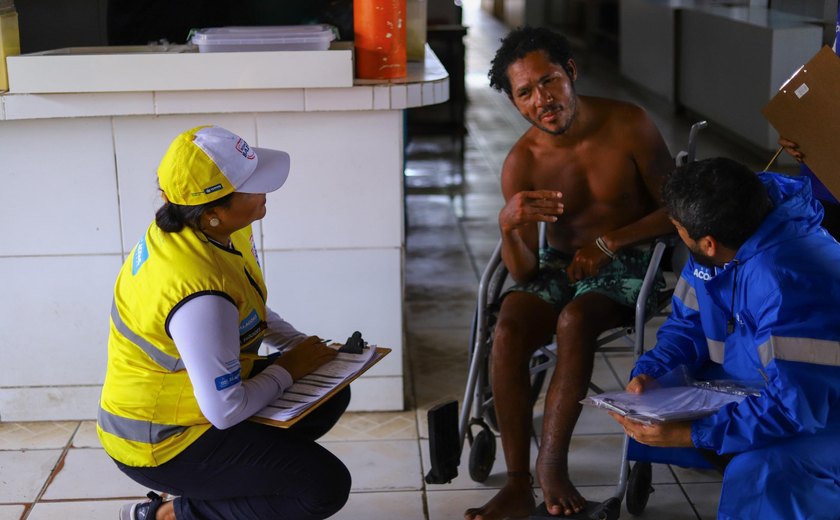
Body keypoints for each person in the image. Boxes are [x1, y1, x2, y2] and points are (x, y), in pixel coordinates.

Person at [465, 26, 675, 519]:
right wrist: (509, 229)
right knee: (511, 323)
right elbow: (524, 271)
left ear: (570, 73)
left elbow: (678, 209)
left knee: (575, 321)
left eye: (549, 81)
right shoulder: (522, 162)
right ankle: (518, 483)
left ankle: (551, 469)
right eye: (525, 93)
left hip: (632, 259)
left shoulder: (629, 124)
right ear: (515, 102)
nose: (542, 100)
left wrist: (611, 241)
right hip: (562, 264)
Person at [97, 125, 352, 520]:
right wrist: (290, 366)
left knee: (329, 390)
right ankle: (170, 513)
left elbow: (249, 308)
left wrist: (302, 348)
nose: (266, 192)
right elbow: (226, 411)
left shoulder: (207, 231)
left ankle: (229, 486)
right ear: (213, 210)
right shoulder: (196, 290)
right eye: (253, 187)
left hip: (198, 406)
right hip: (164, 441)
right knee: (323, 487)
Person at [609, 157, 840, 519]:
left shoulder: (789, 280)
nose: (675, 232)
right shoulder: (728, 239)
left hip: (825, 412)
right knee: (658, 394)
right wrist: (652, 371)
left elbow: (796, 406)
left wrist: (696, 433)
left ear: (709, 242)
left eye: (677, 227)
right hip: (770, 387)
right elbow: (687, 325)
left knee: (764, 472)